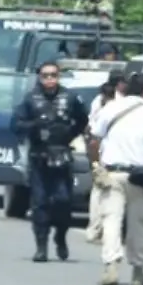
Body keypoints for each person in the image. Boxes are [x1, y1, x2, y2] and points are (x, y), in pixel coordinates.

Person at [87, 70, 143, 285]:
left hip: (112, 173)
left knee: (111, 219)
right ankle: (138, 271)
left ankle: (111, 265)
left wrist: (96, 165)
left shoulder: (110, 108)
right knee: (137, 223)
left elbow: (93, 141)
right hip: (140, 177)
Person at [12, 60, 87, 262]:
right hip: (39, 157)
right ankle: (41, 246)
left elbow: (83, 119)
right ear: (39, 77)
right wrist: (35, 126)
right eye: (45, 75)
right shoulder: (30, 99)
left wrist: (70, 133)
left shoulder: (70, 98)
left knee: (63, 201)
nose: (49, 79)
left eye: (53, 75)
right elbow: (16, 124)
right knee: (40, 203)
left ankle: (60, 237)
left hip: (62, 155)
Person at [84, 75, 124, 244]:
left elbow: (90, 127)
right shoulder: (119, 105)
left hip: (99, 150)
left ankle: (95, 228)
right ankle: (101, 229)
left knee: (99, 190)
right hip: (108, 152)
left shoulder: (98, 101)